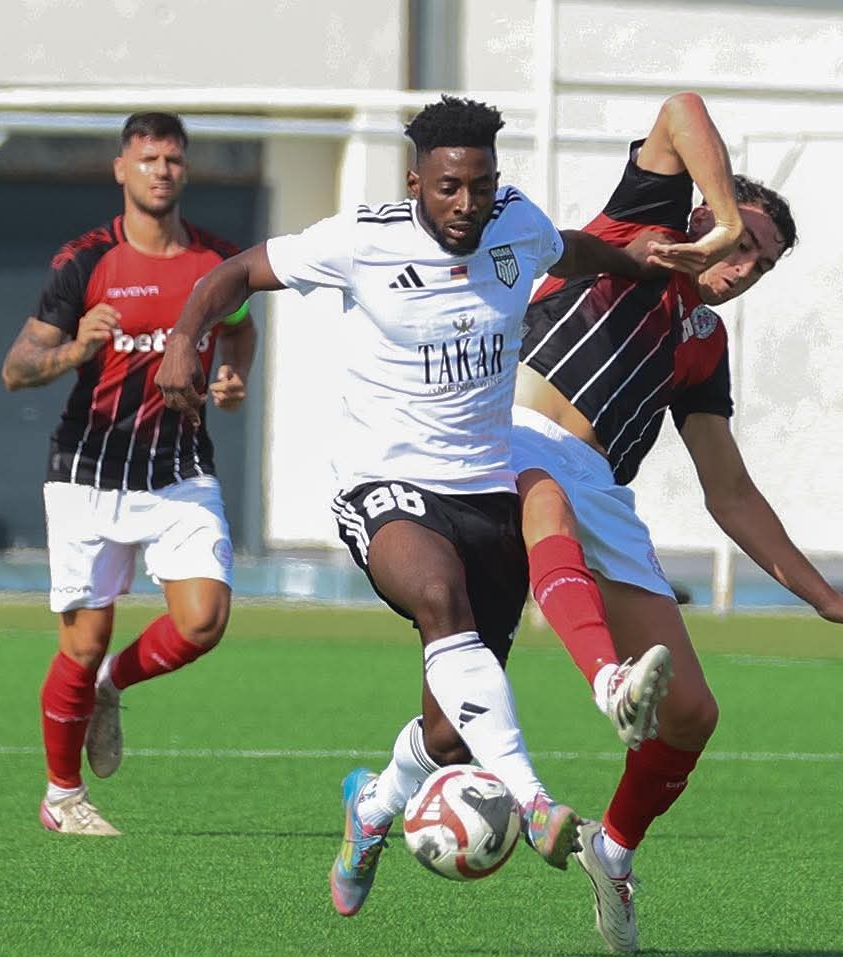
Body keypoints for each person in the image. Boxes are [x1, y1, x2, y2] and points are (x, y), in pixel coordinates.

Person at [155, 94, 720, 918]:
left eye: (480, 186)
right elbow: (234, 273)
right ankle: (533, 801)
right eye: (450, 187)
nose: (466, 204)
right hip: (382, 482)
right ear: (416, 181)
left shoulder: (513, 221)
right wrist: (184, 339)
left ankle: (372, 804)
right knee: (436, 597)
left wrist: (639, 260)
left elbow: (570, 249)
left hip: (484, 492)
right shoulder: (360, 240)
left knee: (449, 732)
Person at [511, 91, 843, 953]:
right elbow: (680, 108)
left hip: (601, 489)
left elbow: (728, 491)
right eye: (743, 247)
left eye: (760, 264)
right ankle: (606, 683)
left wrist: (824, 597)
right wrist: (726, 217)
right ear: (704, 213)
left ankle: (611, 850)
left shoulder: (703, 342)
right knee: (545, 498)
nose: (744, 267)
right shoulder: (642, 228)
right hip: (513, 433)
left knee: (693, 713)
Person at [0, 111, 257, 836]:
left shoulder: (218, 261)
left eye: (172, 159)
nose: (161, 171)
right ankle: (62, 797)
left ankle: (114, 683)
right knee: (80, 644)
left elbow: (240, 325)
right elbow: (17, 368)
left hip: (179, 468)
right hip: (87, 471)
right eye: (147, 159)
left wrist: (232, 373)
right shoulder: (85, 261)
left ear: (186, 169)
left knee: (203, 621)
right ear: (121, 169)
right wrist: (75, 350)